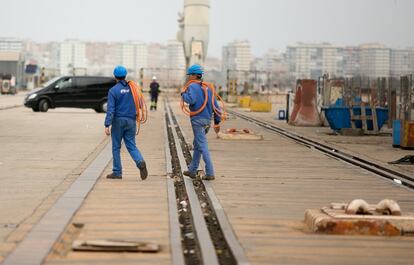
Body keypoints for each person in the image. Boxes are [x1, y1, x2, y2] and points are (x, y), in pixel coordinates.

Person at [104, 65, 148, 180]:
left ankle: (117, 172)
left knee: (116, 147)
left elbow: (111, 109)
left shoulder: (113, 91)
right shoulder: (133, 88)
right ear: (125, 75)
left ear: (115, 76)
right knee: (131, 145)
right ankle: (140, 162)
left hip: (118, 121)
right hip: (131, 120)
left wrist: (107, 124)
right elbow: (139, 103)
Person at [181, 64, 221, 180]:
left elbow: (190, 100)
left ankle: (210, 172)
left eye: (189, 75)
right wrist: (217, 122)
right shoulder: (208, 87)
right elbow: (216, 107)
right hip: (207, 120)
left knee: (202, 146)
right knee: (198, 145)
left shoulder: (192, 86)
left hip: (197, 120)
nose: (188, 78)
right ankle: (192, 170)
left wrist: (183, 94)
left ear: (194, 75)